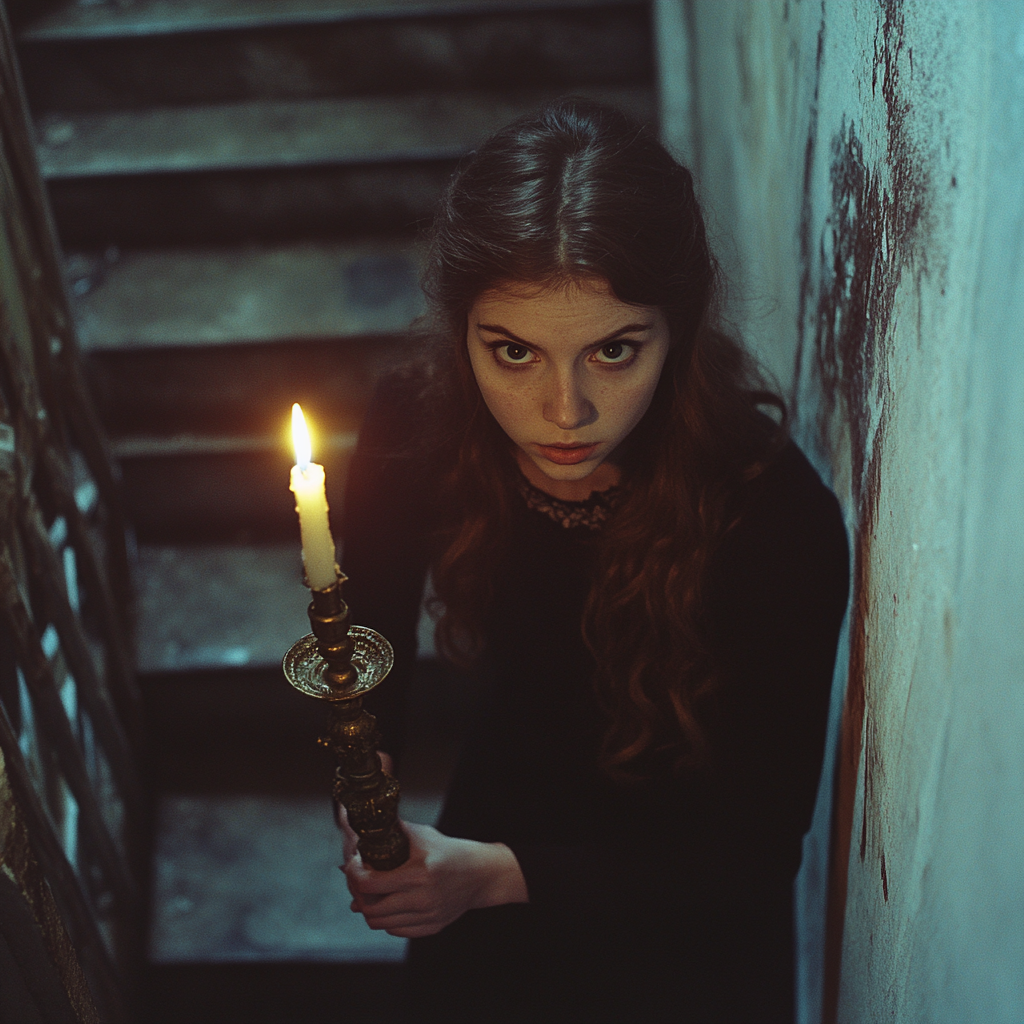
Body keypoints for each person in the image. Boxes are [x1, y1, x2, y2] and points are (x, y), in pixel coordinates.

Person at [338, 98, 849, 1024]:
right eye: (514, 352)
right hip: (500, 812)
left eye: (614, 351)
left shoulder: (773, 518)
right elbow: (360, 628)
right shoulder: (418, 422)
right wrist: (359, 772)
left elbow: (755, 852)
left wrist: (491, 878)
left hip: (684, 915)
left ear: (678, 331)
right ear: (461, 333)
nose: (563, 411)